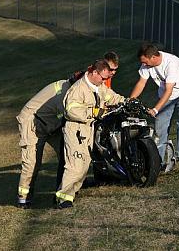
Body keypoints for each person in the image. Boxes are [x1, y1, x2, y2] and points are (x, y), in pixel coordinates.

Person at [55, 59, 125, 209]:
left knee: (84, 165)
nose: (105, 81)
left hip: (87, 129)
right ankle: (63, 198)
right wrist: (92, 112)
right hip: (75, 129)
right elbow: (71, 110)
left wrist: (125, 102)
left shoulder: (98, 86)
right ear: (94, 72)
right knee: (75, 165)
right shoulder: (78, 89)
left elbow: (111, 97)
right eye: (103, 78)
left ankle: (71, 193)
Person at [16, 74, 81, 209]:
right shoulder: (65, 94)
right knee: (32, 162)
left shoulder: (70, 89)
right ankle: (24, 198)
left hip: (51, 122)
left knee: (66, 154)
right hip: (33, 123)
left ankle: (64, 188)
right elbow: (70, 114)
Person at [129, 43, 179, 170]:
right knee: (160, 125)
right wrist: (131, 100)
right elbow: (141, 83)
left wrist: (155, 109)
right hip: (165, 94)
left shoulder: (172, 63)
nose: (144, 65)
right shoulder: (147, 64)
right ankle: (157, 159)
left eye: (145, 62)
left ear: (153, 57)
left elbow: (169, 91)